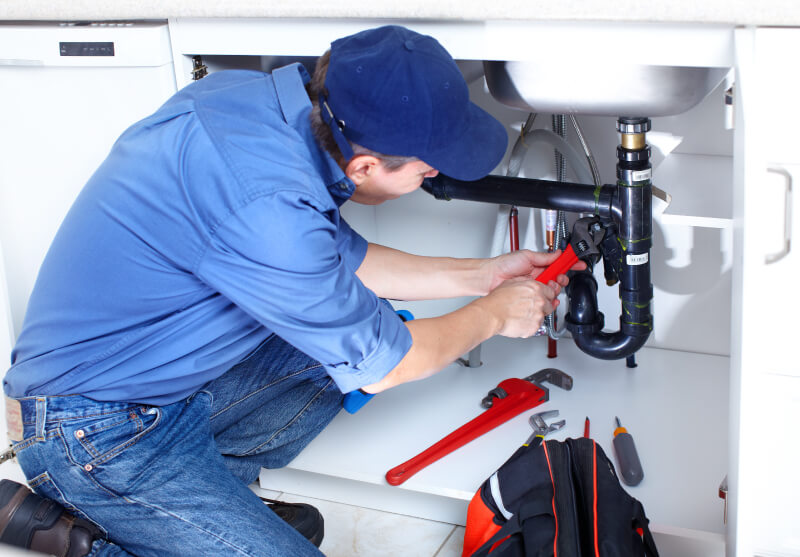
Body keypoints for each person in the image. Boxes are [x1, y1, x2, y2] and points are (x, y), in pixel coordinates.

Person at [1, 25, 579, 556]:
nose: (431, 180)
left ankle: (186, 514)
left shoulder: (257, 106)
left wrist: (485, 275)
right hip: (92, 432)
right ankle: (90, 537)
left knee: (358, 329)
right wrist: (493, 316)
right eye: (425, 173)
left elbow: (342, 263)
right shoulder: (269, 208)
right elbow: (388, 367)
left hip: (161, 384)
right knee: (368, 356)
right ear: (366, 168)